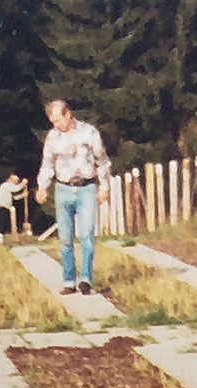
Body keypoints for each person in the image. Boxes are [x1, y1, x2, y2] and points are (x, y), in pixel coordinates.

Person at [34, 100, 112, 295]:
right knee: (65, 238)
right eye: (52, 121)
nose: (56, 125)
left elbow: (102, 160)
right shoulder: (52, 137)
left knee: (86, 235)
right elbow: (47, 164)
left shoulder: (88, 133)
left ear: (68, 114)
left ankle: (85, 279)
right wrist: (42, 187)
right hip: (63, 189)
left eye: (58, 120)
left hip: (86, 187)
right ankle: (68, 280)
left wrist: (104, 186)